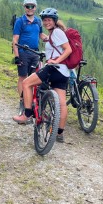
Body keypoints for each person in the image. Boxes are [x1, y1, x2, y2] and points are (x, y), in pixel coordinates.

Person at [12, 8, 72, 143]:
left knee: (27, 83)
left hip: (53, 69)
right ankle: (59, 133)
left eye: (49, 20)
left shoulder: (56, 32)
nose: (46, 22)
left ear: (55, 21)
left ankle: (26, 114)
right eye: (44, 20)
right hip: (64, 72)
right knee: (62, 103)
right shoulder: (55, 33)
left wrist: (55, 60)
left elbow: (68, 49)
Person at [12, 0, 47, 106]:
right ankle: (23, 100)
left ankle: (30, 99)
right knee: (23, 76)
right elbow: (15, 39)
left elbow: (40, 35)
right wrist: (17, 56)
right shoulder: (20, 21)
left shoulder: (38, 21)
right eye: (28, 6)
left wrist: (50, 38)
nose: (30, 8)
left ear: (35, 7)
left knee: (33, 78)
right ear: (24, 7)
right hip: (23, 52)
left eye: (32, 6)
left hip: (35, 53)